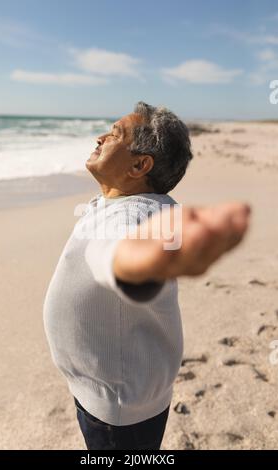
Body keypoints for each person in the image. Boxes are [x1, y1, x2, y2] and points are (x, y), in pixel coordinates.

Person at [43, 102, 250, 450]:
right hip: (115, 393)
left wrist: (140, 261)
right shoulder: (128, 202)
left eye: (114, 134)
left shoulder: (134, 218)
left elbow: (120, 249)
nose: (100, 137)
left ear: (140, 165)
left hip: (117, 412)